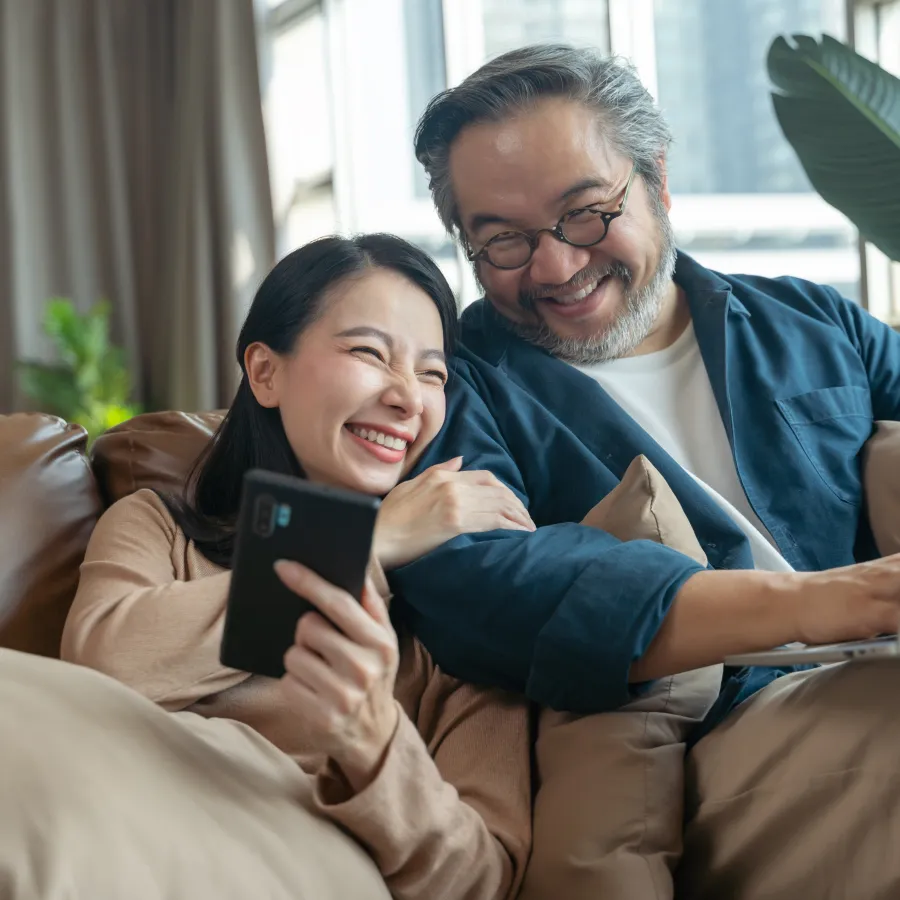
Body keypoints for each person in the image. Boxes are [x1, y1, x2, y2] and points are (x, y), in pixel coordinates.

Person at [388, 43, 900, 898]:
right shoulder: (457, 388)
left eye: (585, 213)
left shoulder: (805, 320)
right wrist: (841, 602)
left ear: (655, 178)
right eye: (502, 240)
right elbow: (478, 586)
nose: (554, 267)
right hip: (708, 745)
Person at [2, 234, 533, 900]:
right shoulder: (158, 527)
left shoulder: (470, 602)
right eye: (369, 352)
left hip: (285, 856)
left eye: (433, 373)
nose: (408, 397)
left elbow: (481, 878)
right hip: (109, 800)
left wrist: (372, 742)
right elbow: (105, 668)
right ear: (265, 373)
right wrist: (365, 541)